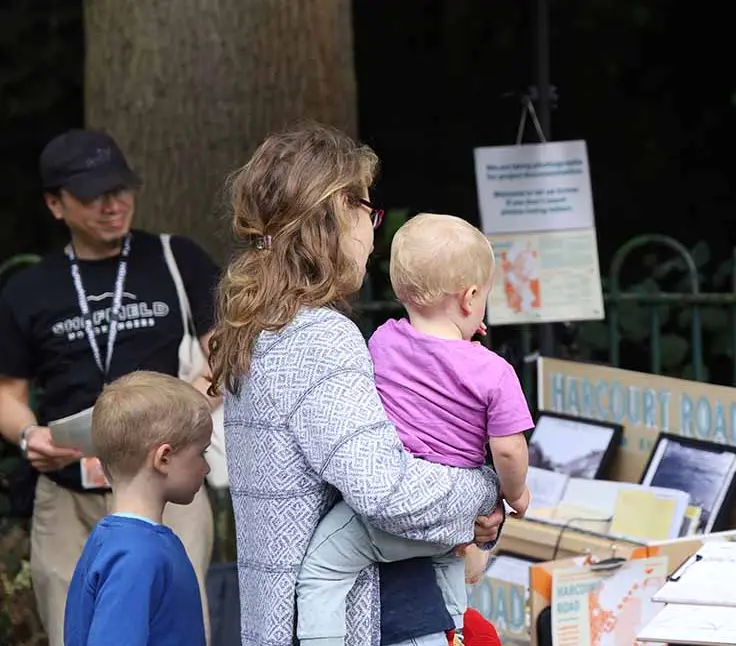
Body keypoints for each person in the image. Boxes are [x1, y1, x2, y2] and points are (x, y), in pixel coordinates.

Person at [209, 122, 505, 646]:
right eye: (368, 210)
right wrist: (483, 491)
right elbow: (386, 491)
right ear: (332, 215)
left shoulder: (255, 327)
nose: (373, 233)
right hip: (373, 622)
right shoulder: (319, 335)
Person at [0, 129, 218, 646]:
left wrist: (183, 406)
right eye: (93, 195)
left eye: (120, 188)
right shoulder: (30, 289)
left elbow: (226, 356)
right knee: (71, 629)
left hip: (166, 481)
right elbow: (7, 392)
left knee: (179, 626)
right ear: (55, 204)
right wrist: (31, 437)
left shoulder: (176, 258)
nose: (113, 204)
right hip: (68, 491)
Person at [295, 213, 533, 645]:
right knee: (449, 569)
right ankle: (455, 632)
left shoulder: (381, 342)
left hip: (387, 520)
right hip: (450, 526)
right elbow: (511, 450)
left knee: (322, 570)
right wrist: (515, 494)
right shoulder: (494, 372)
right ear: (471, 298)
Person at [63, 371, 211, 646]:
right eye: (201, 452)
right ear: (163, 457)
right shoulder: (137, 555)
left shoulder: (115, 541)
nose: (207, 467)